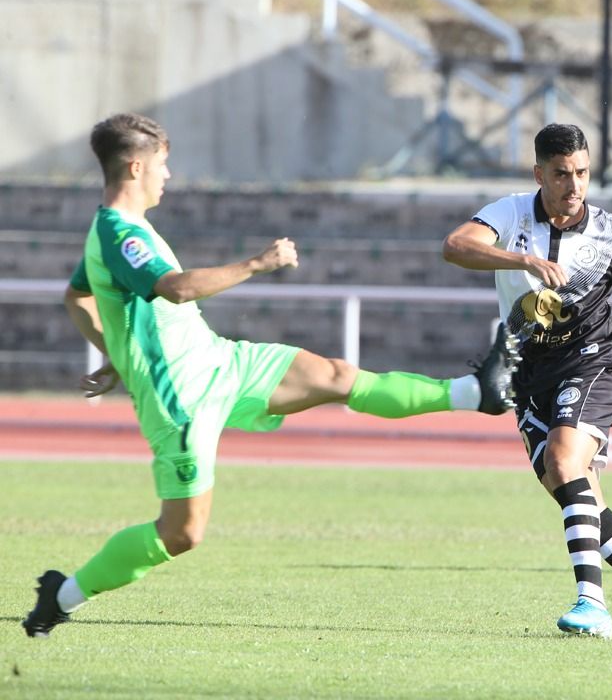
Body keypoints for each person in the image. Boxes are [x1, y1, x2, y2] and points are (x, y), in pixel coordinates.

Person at [22, 112, 518, 638]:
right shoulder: (120, 233)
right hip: (181, 400)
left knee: (335, 375)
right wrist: (258, 264)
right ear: (135, 165)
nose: (167, 176)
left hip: (221, 362)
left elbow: (77, 294)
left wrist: (113, 353)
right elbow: (176, 288)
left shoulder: (121, 229)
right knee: (182, 533)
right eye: (163, 165)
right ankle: (64, 593)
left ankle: (475, 392)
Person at [443, 122, 612, 640]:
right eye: (562, 174)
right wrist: (521, 258)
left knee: (564, 459)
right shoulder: (512, 214)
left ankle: (592, 604)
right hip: (526, 379)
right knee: (581, 499)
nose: (574, 186)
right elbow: (455, 246)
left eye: (583, 173)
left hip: (590, 368)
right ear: (539, 173)